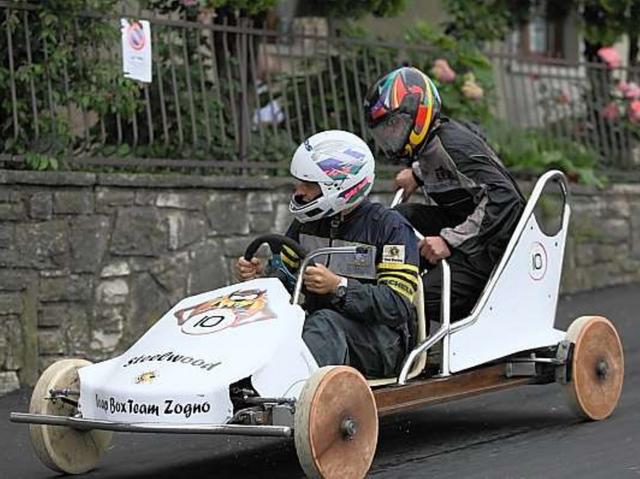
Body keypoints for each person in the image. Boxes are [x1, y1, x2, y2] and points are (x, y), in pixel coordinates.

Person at [236, 130, 420, 379]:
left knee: (325, 323)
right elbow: (287, 283)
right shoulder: (306, 223)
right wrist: (262, 275)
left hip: (380, 343)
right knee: (259, 320)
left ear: (340, 185)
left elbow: (396, 305)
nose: (299, 192)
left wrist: (339, 287)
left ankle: (288, 392)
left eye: (309, 184)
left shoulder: (389, 228)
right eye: (299, 182)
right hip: (319, 330)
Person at [364, 66, 526, 322]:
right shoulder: (433, 142)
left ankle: (408, 341)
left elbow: (507, 199)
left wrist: (449, 240)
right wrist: (417, 173)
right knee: (395, 219)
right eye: (384, 130)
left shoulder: (454, 146)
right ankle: (385, 276)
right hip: (465, 228)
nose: (389, 136)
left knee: (412, 301)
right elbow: (451, 169)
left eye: (393, 126)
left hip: (489, 249)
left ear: (417, 115)